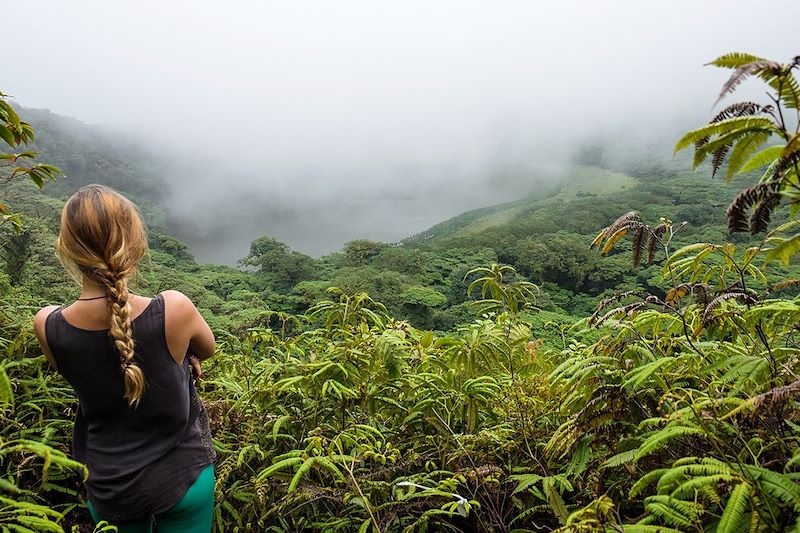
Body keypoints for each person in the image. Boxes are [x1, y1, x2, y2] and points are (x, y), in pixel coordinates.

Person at [32, 184, 217, 533]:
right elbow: (207, 348)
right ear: (134, 240)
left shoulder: (48, 325)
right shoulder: (173, 309)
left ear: (67, 248)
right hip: (184, 475)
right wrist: (182, 350)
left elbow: (75, 367)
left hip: (110, 487)